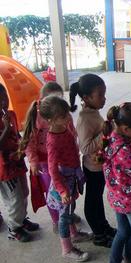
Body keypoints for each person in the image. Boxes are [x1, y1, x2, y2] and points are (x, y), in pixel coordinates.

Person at [19, 81, 80, 234]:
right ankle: (57, 220)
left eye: (60, 99)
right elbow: (29, 142)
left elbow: (72, 135)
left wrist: (74, 154)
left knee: (68, 191)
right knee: (54, 192)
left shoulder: (64, 116)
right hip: (44, 162)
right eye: (54, 99)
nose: (58, 104)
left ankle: (67, 215)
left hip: (64, 160)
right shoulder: (36, 118)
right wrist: (33, 162)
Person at [39, 95, 91, 261]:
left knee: (70, 209)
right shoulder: (52, 141)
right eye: (63, 116)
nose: (69, 118)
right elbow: (53, 169)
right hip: (63, 181)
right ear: (50, 120)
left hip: (71, 177)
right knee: (64, 216)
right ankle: (67, 248)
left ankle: (74, 233)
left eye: (67, 114)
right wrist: (62, 190)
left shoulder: (65, 126)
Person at [70, 74, 116, 247]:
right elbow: (85, 148)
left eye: (104, 94)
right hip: (92, 168)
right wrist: (103, 134)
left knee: (98, 199)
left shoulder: (93, 112)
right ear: (86, 98)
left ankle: (103, 226)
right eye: (100, 95)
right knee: (92, 201)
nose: (104, 99)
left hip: (100, 165)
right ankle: (98, 235)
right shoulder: (83, 119)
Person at [102, 102, 131, 263]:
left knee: (122, 231)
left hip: (117, 197)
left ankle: (114, 260)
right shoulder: (126, 151)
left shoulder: (110, 137)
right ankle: (129, 257)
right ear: (125, 129)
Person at [0, 84, 39, 242]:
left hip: (17, 162)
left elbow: (16, 135)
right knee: (14, 198)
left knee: (24, 192)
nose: (3, 102)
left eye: (5, 97)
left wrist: (23, 145)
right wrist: (5, 129)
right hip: (5, 168)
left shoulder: (11, 115)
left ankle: (21, 220)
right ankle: (13, 228)